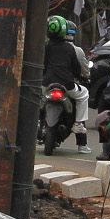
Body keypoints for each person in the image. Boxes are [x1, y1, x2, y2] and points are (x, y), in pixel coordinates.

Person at [41, 15, 92, 151]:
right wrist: (76, 76)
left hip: (46, 85)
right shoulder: (71, 49)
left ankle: (35, 121)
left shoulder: (45, 46)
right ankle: (78, 124)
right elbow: (77, 68)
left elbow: (43, 65)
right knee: (84, 94)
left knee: (36, 98)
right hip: (67, 86)